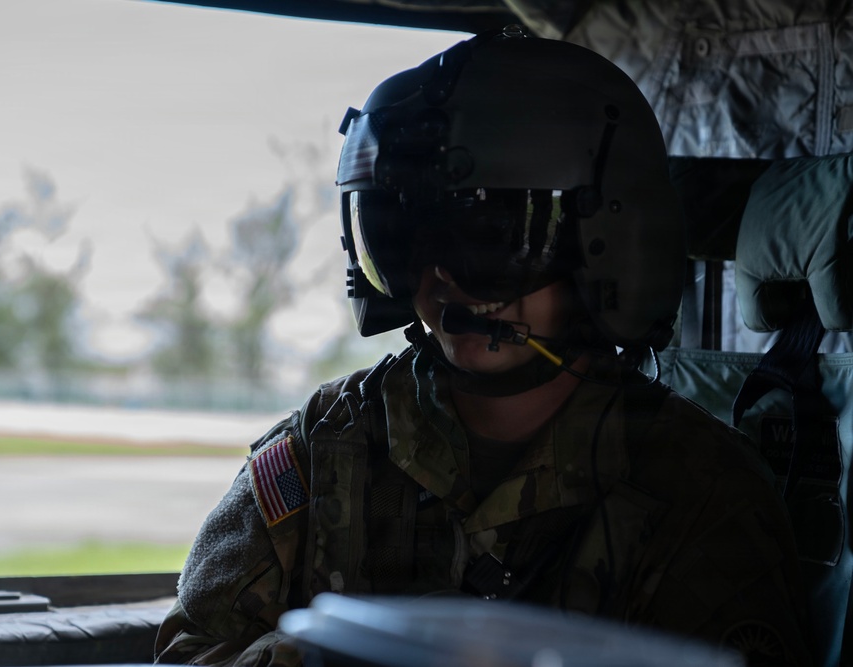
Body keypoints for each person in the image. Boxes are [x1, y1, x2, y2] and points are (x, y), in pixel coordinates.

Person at [154, 29, 812, 667]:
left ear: (606, 243)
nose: (443, 278)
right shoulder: (325, 445)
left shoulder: (702, 490)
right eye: (409, 241)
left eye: (492, 241)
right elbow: (189, 650)